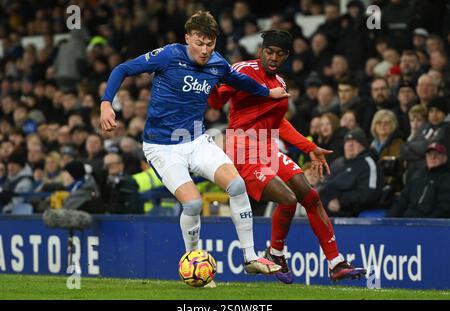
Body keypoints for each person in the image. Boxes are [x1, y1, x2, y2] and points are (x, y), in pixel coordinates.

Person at [100, 11, 289, 276]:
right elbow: (123, 69)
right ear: (187, 37)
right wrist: (107, 103)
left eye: (209, 44)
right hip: (162, 146)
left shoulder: (217, 63)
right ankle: (193, 261)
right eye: (199, 43)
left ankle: (249, 257)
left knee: (236, 185)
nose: (204, 50)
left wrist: (268, 92)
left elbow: (240, 81)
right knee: (192, 204)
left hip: (197, 140)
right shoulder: (168, 55)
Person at [208, 29, 366, 284]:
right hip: (242, 150)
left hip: (267, 148)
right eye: (269, 52)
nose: (273, 58)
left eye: (279, 54)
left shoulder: (280, 84)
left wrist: (308, 147)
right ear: (261, 50)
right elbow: (216, 103)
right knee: (288, 199)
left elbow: (279, 123)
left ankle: (335, 263)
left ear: (286, 56)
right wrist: (213, 81)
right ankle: (276, 253)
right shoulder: (242, 70)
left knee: (310, 196)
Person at [318, 128, 384, 217]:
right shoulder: (338, 163)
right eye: (347, 142)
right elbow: (324, 184)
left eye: (355, 142)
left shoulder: (368, 164)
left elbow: (369, 193)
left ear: (363, 146)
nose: (350, 145)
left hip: (348, 212)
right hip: (324, 207)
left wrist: (340, 201)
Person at [389, 142, 450, 218]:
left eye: (437, 155)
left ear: (445, 158)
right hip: (407, 222)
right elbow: (401, 201)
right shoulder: (417, 177)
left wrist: (426, 225)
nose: (432, 157)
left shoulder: (446, 180)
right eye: (429, 155)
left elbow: (444, 208)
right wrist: (389, 220)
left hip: (429, 226)